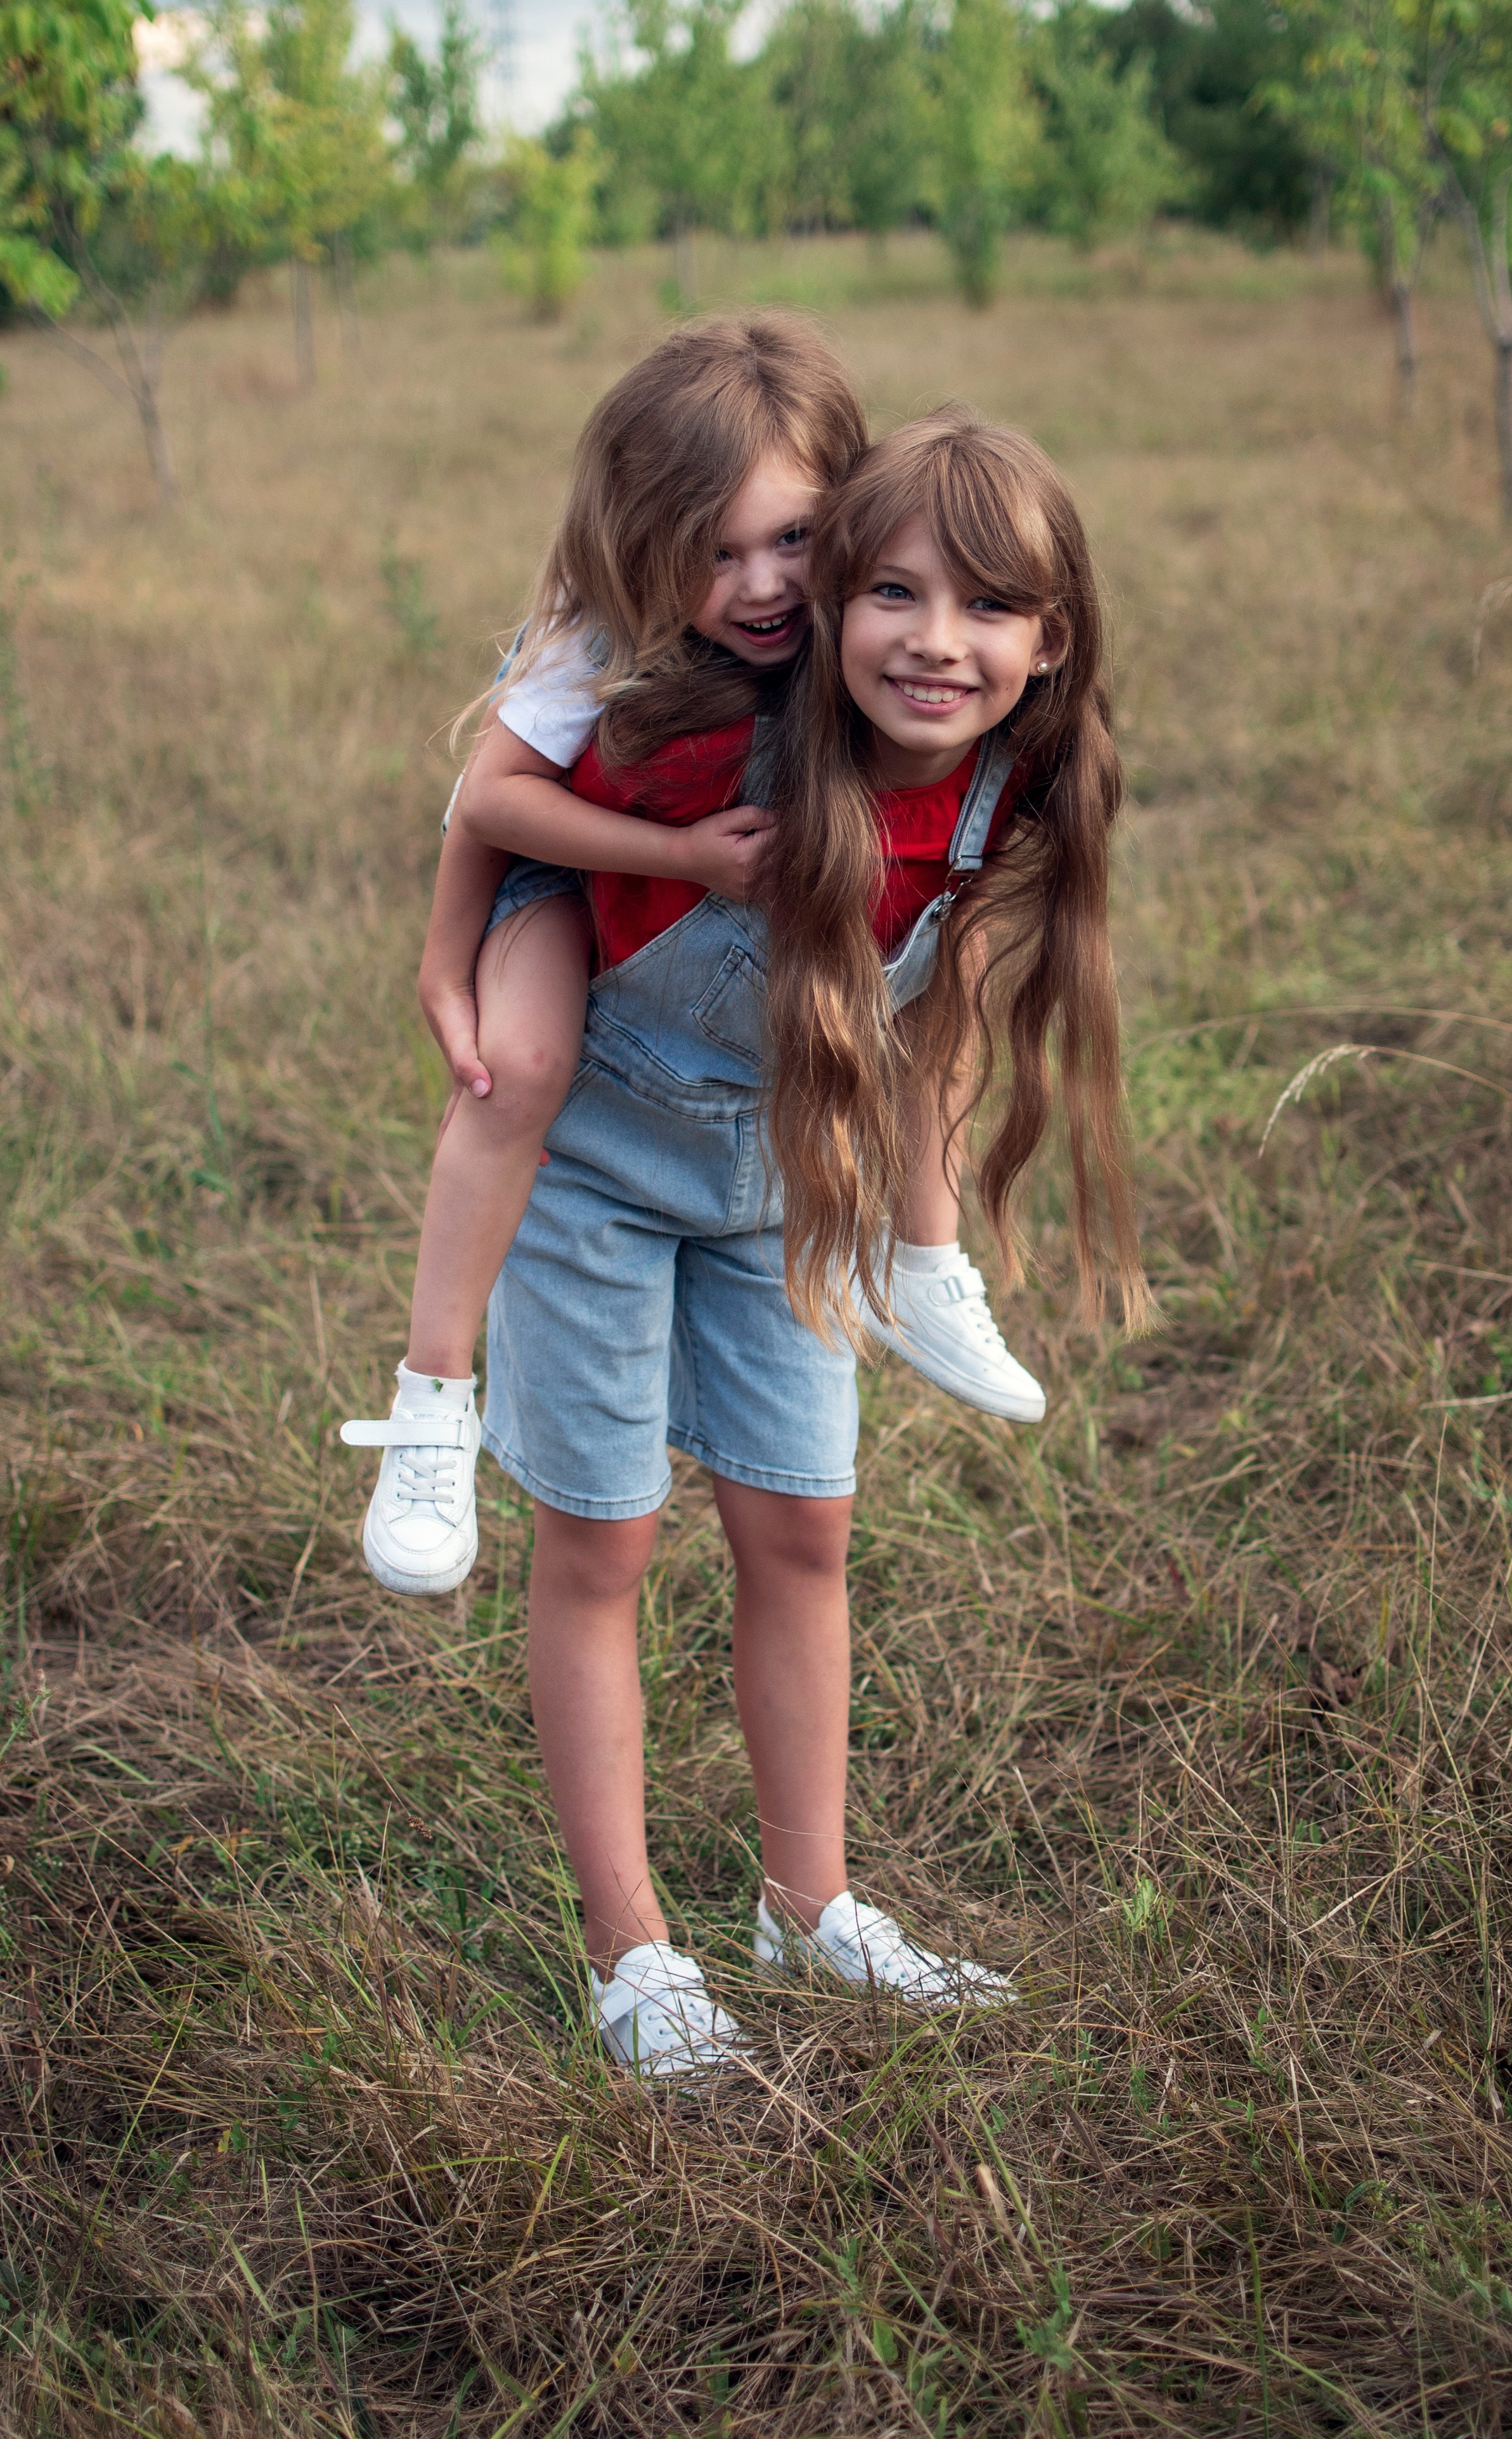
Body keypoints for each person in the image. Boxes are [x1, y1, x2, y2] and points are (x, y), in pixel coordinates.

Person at [427, 406, 1146, 2076]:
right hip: (593, 1177)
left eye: (987, 611)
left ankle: (807, 1907)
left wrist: (919, 1242)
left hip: (778, 1197)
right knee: (603, 1547)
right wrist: (451, 956)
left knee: (804, 1532)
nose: (937, 643)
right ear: (822, 599)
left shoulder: (995, 788)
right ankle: (636, 1958)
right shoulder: (712, 736)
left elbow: (943, 1023)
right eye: (892, 592)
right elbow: (503, 801)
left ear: (1051, 644)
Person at [342, 319, 1045, 1604]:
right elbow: (491, 804)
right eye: (714, 555)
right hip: (568, 865)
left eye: (792, 539)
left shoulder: (855, 636)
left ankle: (924, 1254)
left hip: (719, 999)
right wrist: (458, 960)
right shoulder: (596, 638)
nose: (764, 584)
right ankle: (432, 1396)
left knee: (944, 982)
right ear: (644, 546)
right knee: (525, 1062)